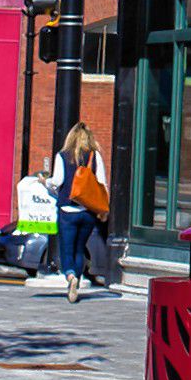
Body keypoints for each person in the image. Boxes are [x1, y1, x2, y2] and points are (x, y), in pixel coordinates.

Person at [50, 121, 109, 302]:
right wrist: (103, 208)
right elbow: (102, 183)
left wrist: (46, 183)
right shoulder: (94, 156)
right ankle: (77, 275)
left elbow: (57, 181)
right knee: (79, 249)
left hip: (67, 210)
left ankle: (71, 277)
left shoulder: (62, 156)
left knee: (66, 249)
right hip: (87, 211)